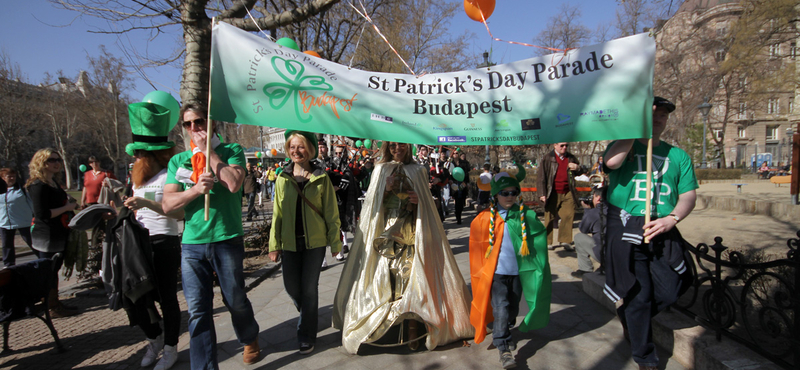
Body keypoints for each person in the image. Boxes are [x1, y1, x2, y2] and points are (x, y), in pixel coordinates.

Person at [332, 141, 474, 354]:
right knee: (387, 277)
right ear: (387, 147)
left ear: (409, 147)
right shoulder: (380, 169)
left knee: (411, 278)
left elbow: (428, 204)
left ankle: (413, 326)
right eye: (392, 146)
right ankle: (382, 322)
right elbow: (371, 204)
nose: (397, 149)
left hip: (412, 231)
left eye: (401, 145)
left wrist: (420, 201)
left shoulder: (418, 170)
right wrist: (384, 190)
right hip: (386, 233)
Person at [162, 103, 261, 368]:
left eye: (200, 122)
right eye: (189, 124)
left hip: (226, 239)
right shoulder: (178, 161)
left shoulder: (233, 151)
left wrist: (211, 154)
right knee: (197, 311)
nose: (195, 128)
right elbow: (168, 204)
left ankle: (249, 336)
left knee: (235, 299)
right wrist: (194, 191)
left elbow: (233, 183)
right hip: (192, 245)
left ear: (211, 123)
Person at [602, 96, 697, 370]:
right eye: (653, 114)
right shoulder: (625, 145)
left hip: (662, 227)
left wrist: (673, 218)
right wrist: (635, 130)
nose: (658, 119)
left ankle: (630, 313)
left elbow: (688, 195)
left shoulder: (678, 156)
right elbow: (612, 163)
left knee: (675, 285)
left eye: (663, 116)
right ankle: (646, 356)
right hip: (627, 229)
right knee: (640, 295)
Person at [120, 102, 185, 370]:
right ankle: (154, 337)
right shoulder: (136, 178)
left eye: (140, 153)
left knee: (166, 298)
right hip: (138, 244)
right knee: (133, 297)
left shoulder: (172, 174)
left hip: (165, 243)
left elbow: (180, 214)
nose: (137, 157)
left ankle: (170, 347)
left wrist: (147, 204)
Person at [469, 165, 551, 369]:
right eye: (505, 193)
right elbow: (477, 247)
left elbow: (538, 240)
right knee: (501, 308)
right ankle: (503, 346)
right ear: (496, 195)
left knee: (512, 308)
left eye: (514, 192)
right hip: (496, 274)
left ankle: (503, 326)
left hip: (517, 274)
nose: (510, 196)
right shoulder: (485, 218)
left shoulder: (526, 216)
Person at [268, 130, 342, 355]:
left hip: (315, 243)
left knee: (309, 289)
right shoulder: (282, 178)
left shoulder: (321, 177)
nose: (295, 151)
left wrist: (335, 242)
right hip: (290, 242)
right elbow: (277, 213)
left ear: (309, 149)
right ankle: (308, 316)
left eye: (300, 147)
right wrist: (274, 244)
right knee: (291, 287)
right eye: (292, 147)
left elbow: (331, 211)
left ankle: (306, 335)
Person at [26, 148, 79, 318]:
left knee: (54, 269)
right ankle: (50, 306)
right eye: (52, 160)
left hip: (59, 231)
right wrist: (66, 208)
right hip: (46, 235)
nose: (57, 163)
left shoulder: (54, 182)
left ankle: (54, 302)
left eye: (58, 160)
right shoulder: (37, 185)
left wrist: (71, 205)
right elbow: (42, 214)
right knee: (48, 270)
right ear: (42, 162)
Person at [537, 142, 581, 251]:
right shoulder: (548, 158)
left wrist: (577, 168)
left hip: (568, 191)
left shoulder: (571, 158)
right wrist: (542, 193)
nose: (564, 147)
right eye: (562, 145)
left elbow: (582, 172)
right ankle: (547, 241)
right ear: (555, 145)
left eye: (566, 145)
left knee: (568, 215)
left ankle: (565, 241)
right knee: (549, 217)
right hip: (553, 191)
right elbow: (541, 177)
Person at [0, 168, 35, 267]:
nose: (12, 178)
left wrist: (35, 215)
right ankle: (9, 265)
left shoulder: (22, 189)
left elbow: (31, 203)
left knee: (31, 242)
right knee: (7, 245)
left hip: (23, 221)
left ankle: (43, 258)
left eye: (13, 176)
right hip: (4, 222)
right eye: (9, 176)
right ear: (2, 178)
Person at [571, 186, 606, 279]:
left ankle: (585, 269)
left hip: (604, 254)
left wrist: (587, 210)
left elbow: (583, 229)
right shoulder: (619, 211)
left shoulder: (594, 213)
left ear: (598, 198)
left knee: (579, 237)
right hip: (623, 254)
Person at [453, 151, 471, 224]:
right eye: (454, 153)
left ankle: (459, 211)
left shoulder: (463, 163)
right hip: (454, 183)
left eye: (457, 153)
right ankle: (458, 218)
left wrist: (467, 183)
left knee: (462, 201)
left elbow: (466, 173)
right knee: (457, 201)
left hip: (462, 182)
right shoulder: (451, 163)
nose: (455, 155)